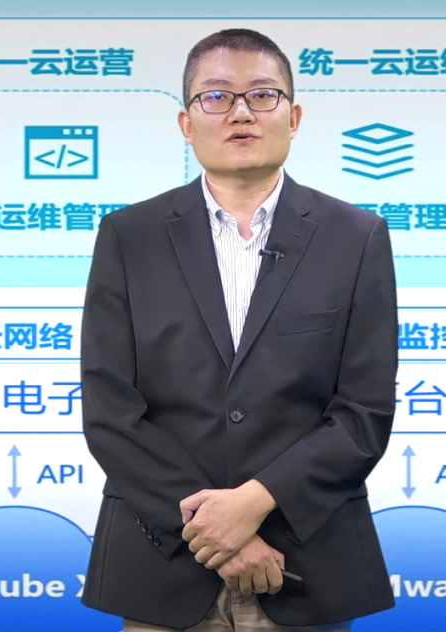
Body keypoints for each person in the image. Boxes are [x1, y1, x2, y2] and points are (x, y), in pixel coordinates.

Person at [79, 27, 398, 632]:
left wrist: (252, 505)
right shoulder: (128, 236)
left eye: (263, 95)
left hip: (304, 561)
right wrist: (214, 531)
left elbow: (364, 412)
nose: (241, 112)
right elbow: (110, 410)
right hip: (162, 564)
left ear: (294, 117)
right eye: (217, 96)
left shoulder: (356, 238)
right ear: (186, 122)